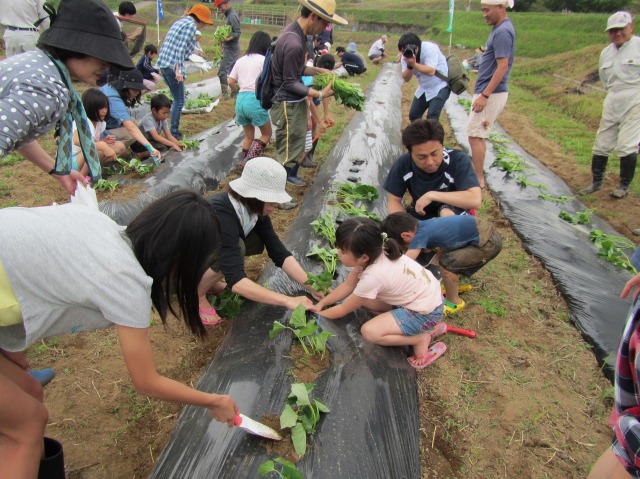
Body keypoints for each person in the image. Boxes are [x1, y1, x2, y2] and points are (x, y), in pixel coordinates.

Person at [0, 190, 238, 478]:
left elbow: (27, 270)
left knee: (30, 392)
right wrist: (214, 401)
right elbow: (146, 382)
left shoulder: (103, 225)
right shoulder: (125, 280)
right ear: (182, 259)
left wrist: (9, 349)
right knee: (26, 425)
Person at [0, 0, 135, 195]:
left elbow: (18, 133)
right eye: (103, 56)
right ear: (78, 47)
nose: (107, 66)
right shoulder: (47, 89)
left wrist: (58, 171)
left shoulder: (40, 65)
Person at [197, 157, 322, 325]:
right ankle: (196, 294)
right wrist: (287, 300)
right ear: (254, 196)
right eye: (271, 201)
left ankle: (209, 282)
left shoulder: (253, 210)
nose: (275, 206)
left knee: (254, 240)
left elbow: (278, 251)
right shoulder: (220, 213)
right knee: (238, 247)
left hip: (204, 254)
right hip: (181, 263)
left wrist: (310, 285)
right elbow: (235, 280)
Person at [315, 217, 447, 369]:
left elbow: (344, 309)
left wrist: (318, 315)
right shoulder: (376, 252)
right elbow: (348, 285)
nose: (338, 253)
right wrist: (322, 303)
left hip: (425, 312)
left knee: (369, 331)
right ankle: (427, 326)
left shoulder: (373, 277)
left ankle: (419, 339)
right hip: (427, 299)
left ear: (363, 257)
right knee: (363, 301)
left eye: (343, 251)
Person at [269, 0, 346, 185]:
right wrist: (319, 94)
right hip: (288, 104)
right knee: (287, 152)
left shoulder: (295, 33)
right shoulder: (295, 42)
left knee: (292, 148)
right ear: (313, 17)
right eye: (325, 23)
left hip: (292, 103)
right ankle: (274, 195)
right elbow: (289, 82)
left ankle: (278, 192)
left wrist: (318, 71)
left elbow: (296, 69)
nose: (325, 29)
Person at [381, 212, 502, 315]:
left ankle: (454, 302)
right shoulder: (424, 225)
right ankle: (451, 287)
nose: (406, 249)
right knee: (444, 256)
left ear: (406, 235)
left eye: (404, 246)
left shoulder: (421, 234)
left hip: (487, 242)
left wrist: (385, 273)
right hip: (483, 230)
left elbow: (405, 263)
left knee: (447, 267)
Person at [580, 11, 640, 199]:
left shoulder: (638, 46)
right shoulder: (606, 53)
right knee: (602, 142)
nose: (617, 34)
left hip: (635, 97)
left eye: (621, 29)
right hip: (613, 97)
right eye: (612, 31)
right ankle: (597, 181)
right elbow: (605, 80)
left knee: (626, 144)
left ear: (631, 27)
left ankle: (623, 185)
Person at [384, 119, 482, 220]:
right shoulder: (403, 163)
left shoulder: (458, 160)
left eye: (434, 153)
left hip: (455, 209)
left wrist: (432, 195)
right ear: (410, 153)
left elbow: (475, 199)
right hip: (421, 213)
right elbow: (393, 201)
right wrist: (405, 224)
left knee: (447, 213)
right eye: (422, 157)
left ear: (442, 146)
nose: (430, 162)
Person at [467, 0, 516, 189]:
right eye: (483, 10)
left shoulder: (503, 31)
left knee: (476, 134)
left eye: (487, 10)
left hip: (492, 93)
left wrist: (485, 95)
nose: (484, 14)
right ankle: (476, 176)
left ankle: (478, 179)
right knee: (475, 133)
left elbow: (502, 67)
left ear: (500, 8)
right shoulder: (499, 29)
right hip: (487, 90)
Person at [157, 4, 213, 140]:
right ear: (200, 19)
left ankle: (164, 128)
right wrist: (179, 70)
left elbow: (173, 45)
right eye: (204, 22)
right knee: (179, 101)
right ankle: (174, 133)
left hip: (165, 64)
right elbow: (180, 50)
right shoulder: (191, 26)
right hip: (172, 67)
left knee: (175, 99)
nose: (204, 26)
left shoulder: (180, 22)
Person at [228, 30, 273, 164]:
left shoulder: (241, 60)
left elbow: (231, 81)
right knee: (266, 134)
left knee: (248, 136)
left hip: (240, 100)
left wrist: (235, 92)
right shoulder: (265, 60)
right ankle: (248, 162)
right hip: (255, 99)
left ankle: (245, 160)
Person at [100, 69, 162, 161]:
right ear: (124, 87)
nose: (136, 93)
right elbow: (130, 128)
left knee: (133, 121)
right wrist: (150, 148)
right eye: (134, 90)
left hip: (103, 125)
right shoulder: (113, 99)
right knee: (130, 134)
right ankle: (106, 157)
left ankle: (134, 150)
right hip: (98, 132)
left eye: (138, 90)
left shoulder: (111, 87)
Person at [72, 89, 127, 175]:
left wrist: (103, 141)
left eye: (106, 107)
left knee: (119, 146)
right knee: (99, 150)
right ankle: (80, 178)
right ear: (90, 108)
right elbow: (76, 141)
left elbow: (93, 142)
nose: (104, 111)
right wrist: (103, 146)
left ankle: (92, 170)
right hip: (73, 160)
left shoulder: (100, 124)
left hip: (84, 158)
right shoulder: (84, 122)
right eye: (100, 108)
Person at [398, 33, 451, 122]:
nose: (405, 52)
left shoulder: (429, 49)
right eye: (402, 51)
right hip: (424, 88)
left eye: (408, 49)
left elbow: (431, 71)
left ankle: (433, 135)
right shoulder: (405, 56)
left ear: (418, 46)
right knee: (414, 115)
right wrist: (410, 66)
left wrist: (414, 64)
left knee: (432, 117)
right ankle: (420, 135)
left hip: (440, 85)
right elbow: (406, 78)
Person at [214, 0, 241, 98]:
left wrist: (227, 38)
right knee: (233, 73)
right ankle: (236, 94)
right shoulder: (228, 15)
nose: (219, 9)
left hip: (232, 49)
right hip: (229, 48)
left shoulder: (232, 16)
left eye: (220, 6)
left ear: (226, 3)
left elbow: (237, 33)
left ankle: (225, 96)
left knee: (222, 72)